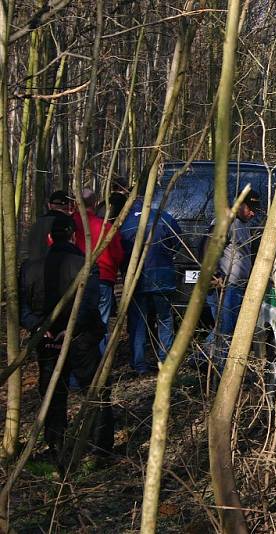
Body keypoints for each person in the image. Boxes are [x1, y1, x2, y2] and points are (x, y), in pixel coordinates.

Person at [19, 215, 115, 463]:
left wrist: (40, 328)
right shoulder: (84, 264)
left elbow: (23, 309)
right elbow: (90, 304)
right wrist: (70, 329)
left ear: (50, 238)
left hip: (49, 339)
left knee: (53, 394)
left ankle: (56, 446)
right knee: (94, 391)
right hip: (79, 338)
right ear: (73, 236)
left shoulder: (30, 267)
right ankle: (101, 448)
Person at [120, 197, 182, 375]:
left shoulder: (127, 223)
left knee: (138, 322)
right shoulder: (164, 217)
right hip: (163, 276)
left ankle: (139, 364)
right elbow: (177, 243)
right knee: (165, 319)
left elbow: (121, 251)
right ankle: (165, 361)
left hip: (137, 279)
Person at [207, 190, 260, 369]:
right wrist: (215, 274)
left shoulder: (242, 224)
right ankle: (218, 367)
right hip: (226, 286)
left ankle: (202, 359)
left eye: (255, 209)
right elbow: (208, 250)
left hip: (237, 286)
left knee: (226, 327)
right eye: (250, 208)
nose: (253, 213)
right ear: (240, 204)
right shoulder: (225, 222)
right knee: (225, 328)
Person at [72, 188, 125, 354]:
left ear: (76, 203)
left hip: (74, 280)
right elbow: (118, 254)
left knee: (75, 322)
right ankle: (99, 366)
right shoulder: (106, 227)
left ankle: (77, 370)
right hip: (103, 279)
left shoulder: (68, 225)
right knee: (101, 324)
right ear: (95, 204)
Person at [21, 190, 74, 265]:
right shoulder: (70, 222)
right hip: (64, 270)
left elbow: (27, 249)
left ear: (49, 205)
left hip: (34, 270)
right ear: (67, 205)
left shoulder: (38, 223)